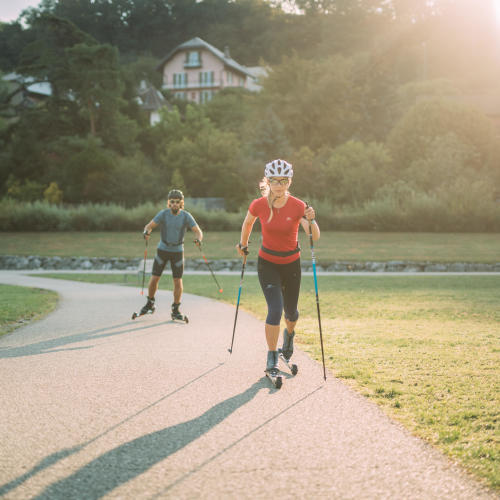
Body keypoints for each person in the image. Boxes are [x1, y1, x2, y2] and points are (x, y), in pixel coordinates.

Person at [236, 159, 320, 374]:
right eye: (275, 181)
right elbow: (247, 223)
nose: (279, 185)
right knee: (275, 309)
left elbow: (314, 236)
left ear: (289, 182)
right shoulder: (259, 204)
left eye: (284, 181)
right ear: (268, 181)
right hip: (268, 264)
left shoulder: (298, 205)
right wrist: (243, 244)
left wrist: (312, 220)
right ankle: (272, 356)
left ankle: (289, 339)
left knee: (290, 313)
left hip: (291, 264)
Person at [141, 189, 203, 320]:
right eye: (172, 202)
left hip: (178, 251)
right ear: (169, 203)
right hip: (162, 250)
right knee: (154, 278)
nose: (175, 204)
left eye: (177, 202)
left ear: (181, 203)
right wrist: (146, 232)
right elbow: (149, 226)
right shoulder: (163, 214)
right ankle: (150, 303)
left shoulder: (186, 216)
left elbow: (198, 231)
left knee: (177, 280)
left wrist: (198, 239)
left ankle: (175, 309)